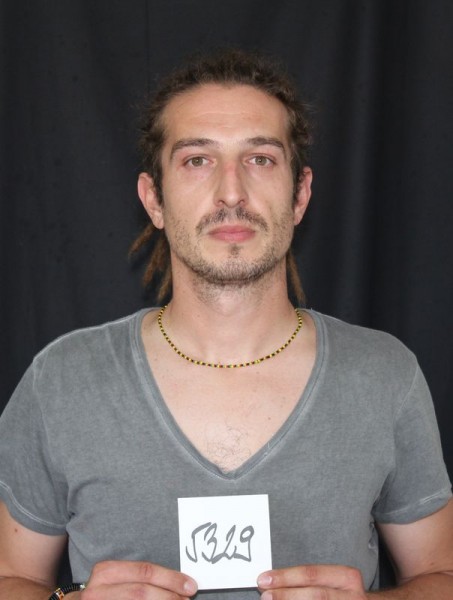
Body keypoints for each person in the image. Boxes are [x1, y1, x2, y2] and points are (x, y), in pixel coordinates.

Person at [0, 49, 452, 600]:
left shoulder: (385, 375)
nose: (231, 192)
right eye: (197, 160)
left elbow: (442, 575)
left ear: (300, 194)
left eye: (260, 159)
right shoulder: (61, 381)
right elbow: (11, 577)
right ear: (153, 199)